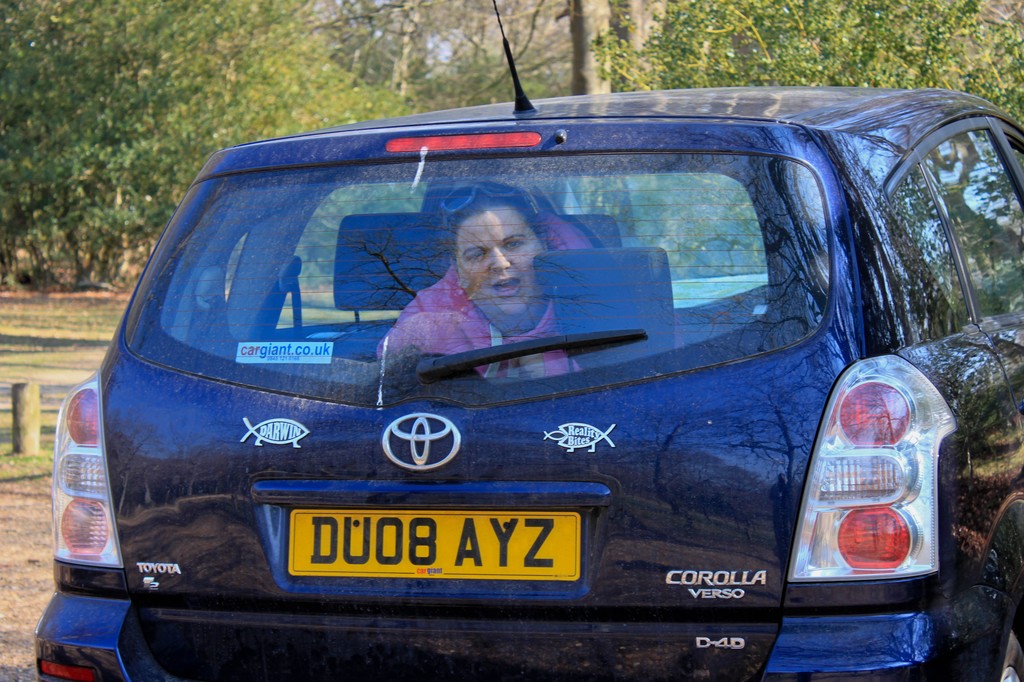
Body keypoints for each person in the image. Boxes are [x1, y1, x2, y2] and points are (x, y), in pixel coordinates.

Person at [378, 182, 592, 378]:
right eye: (477, 254)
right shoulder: (428, 329)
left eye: (513, 244)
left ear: (543, 247)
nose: (500, 263)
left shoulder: (595, 312)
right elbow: (385, 384)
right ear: (458, 271)